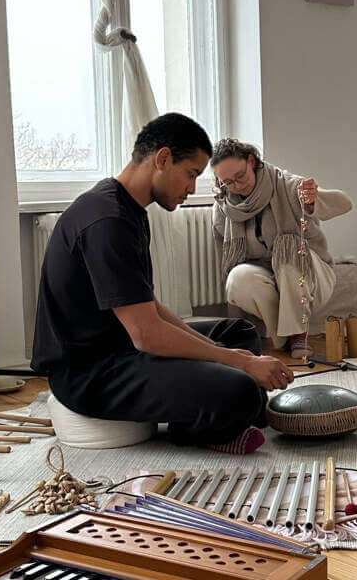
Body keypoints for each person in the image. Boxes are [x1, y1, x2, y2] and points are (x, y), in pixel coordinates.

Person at [31, 113, 294, 455]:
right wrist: (238, 363)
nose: (192, 188)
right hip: (92, 374)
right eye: (191, 174)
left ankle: (213, 411)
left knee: (238, 333)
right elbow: (147, 334)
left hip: (124, 345)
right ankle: (199, 426)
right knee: (241, 390)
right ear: (163, 159)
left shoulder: (127, 208)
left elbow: (149, 307)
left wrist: (226, 354)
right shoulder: (107, 221)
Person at [211, 139, 352, 358]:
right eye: (228, 182)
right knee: (238, 277)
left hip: (307, 273)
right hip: (265, 273)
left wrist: (313, 200)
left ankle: (298, 333)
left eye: (240, 176)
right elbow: (227, 258)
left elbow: (345, 204)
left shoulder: (288, 185)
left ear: (251, 161)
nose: (236, 186)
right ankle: (283, 337)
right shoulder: (224, 206)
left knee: (288, 248)